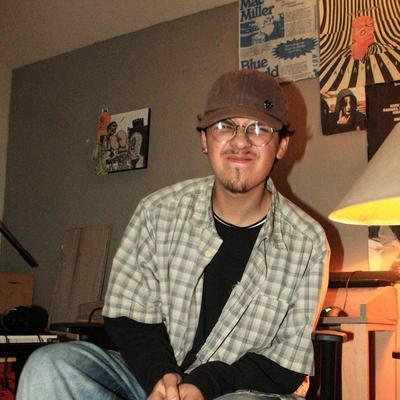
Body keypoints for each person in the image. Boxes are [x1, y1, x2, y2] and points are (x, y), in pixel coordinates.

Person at [16, 69, 329, 400]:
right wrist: (161, 375)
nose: (240, 141)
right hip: (151, 377)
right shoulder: (157, 212)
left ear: (281, 145)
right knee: (49, 365)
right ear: (204, 140)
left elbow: (287, 364)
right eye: (225, 126)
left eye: (258, 129)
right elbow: (128, 314)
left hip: (239, 390)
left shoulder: (308, 243)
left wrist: (203, 384)